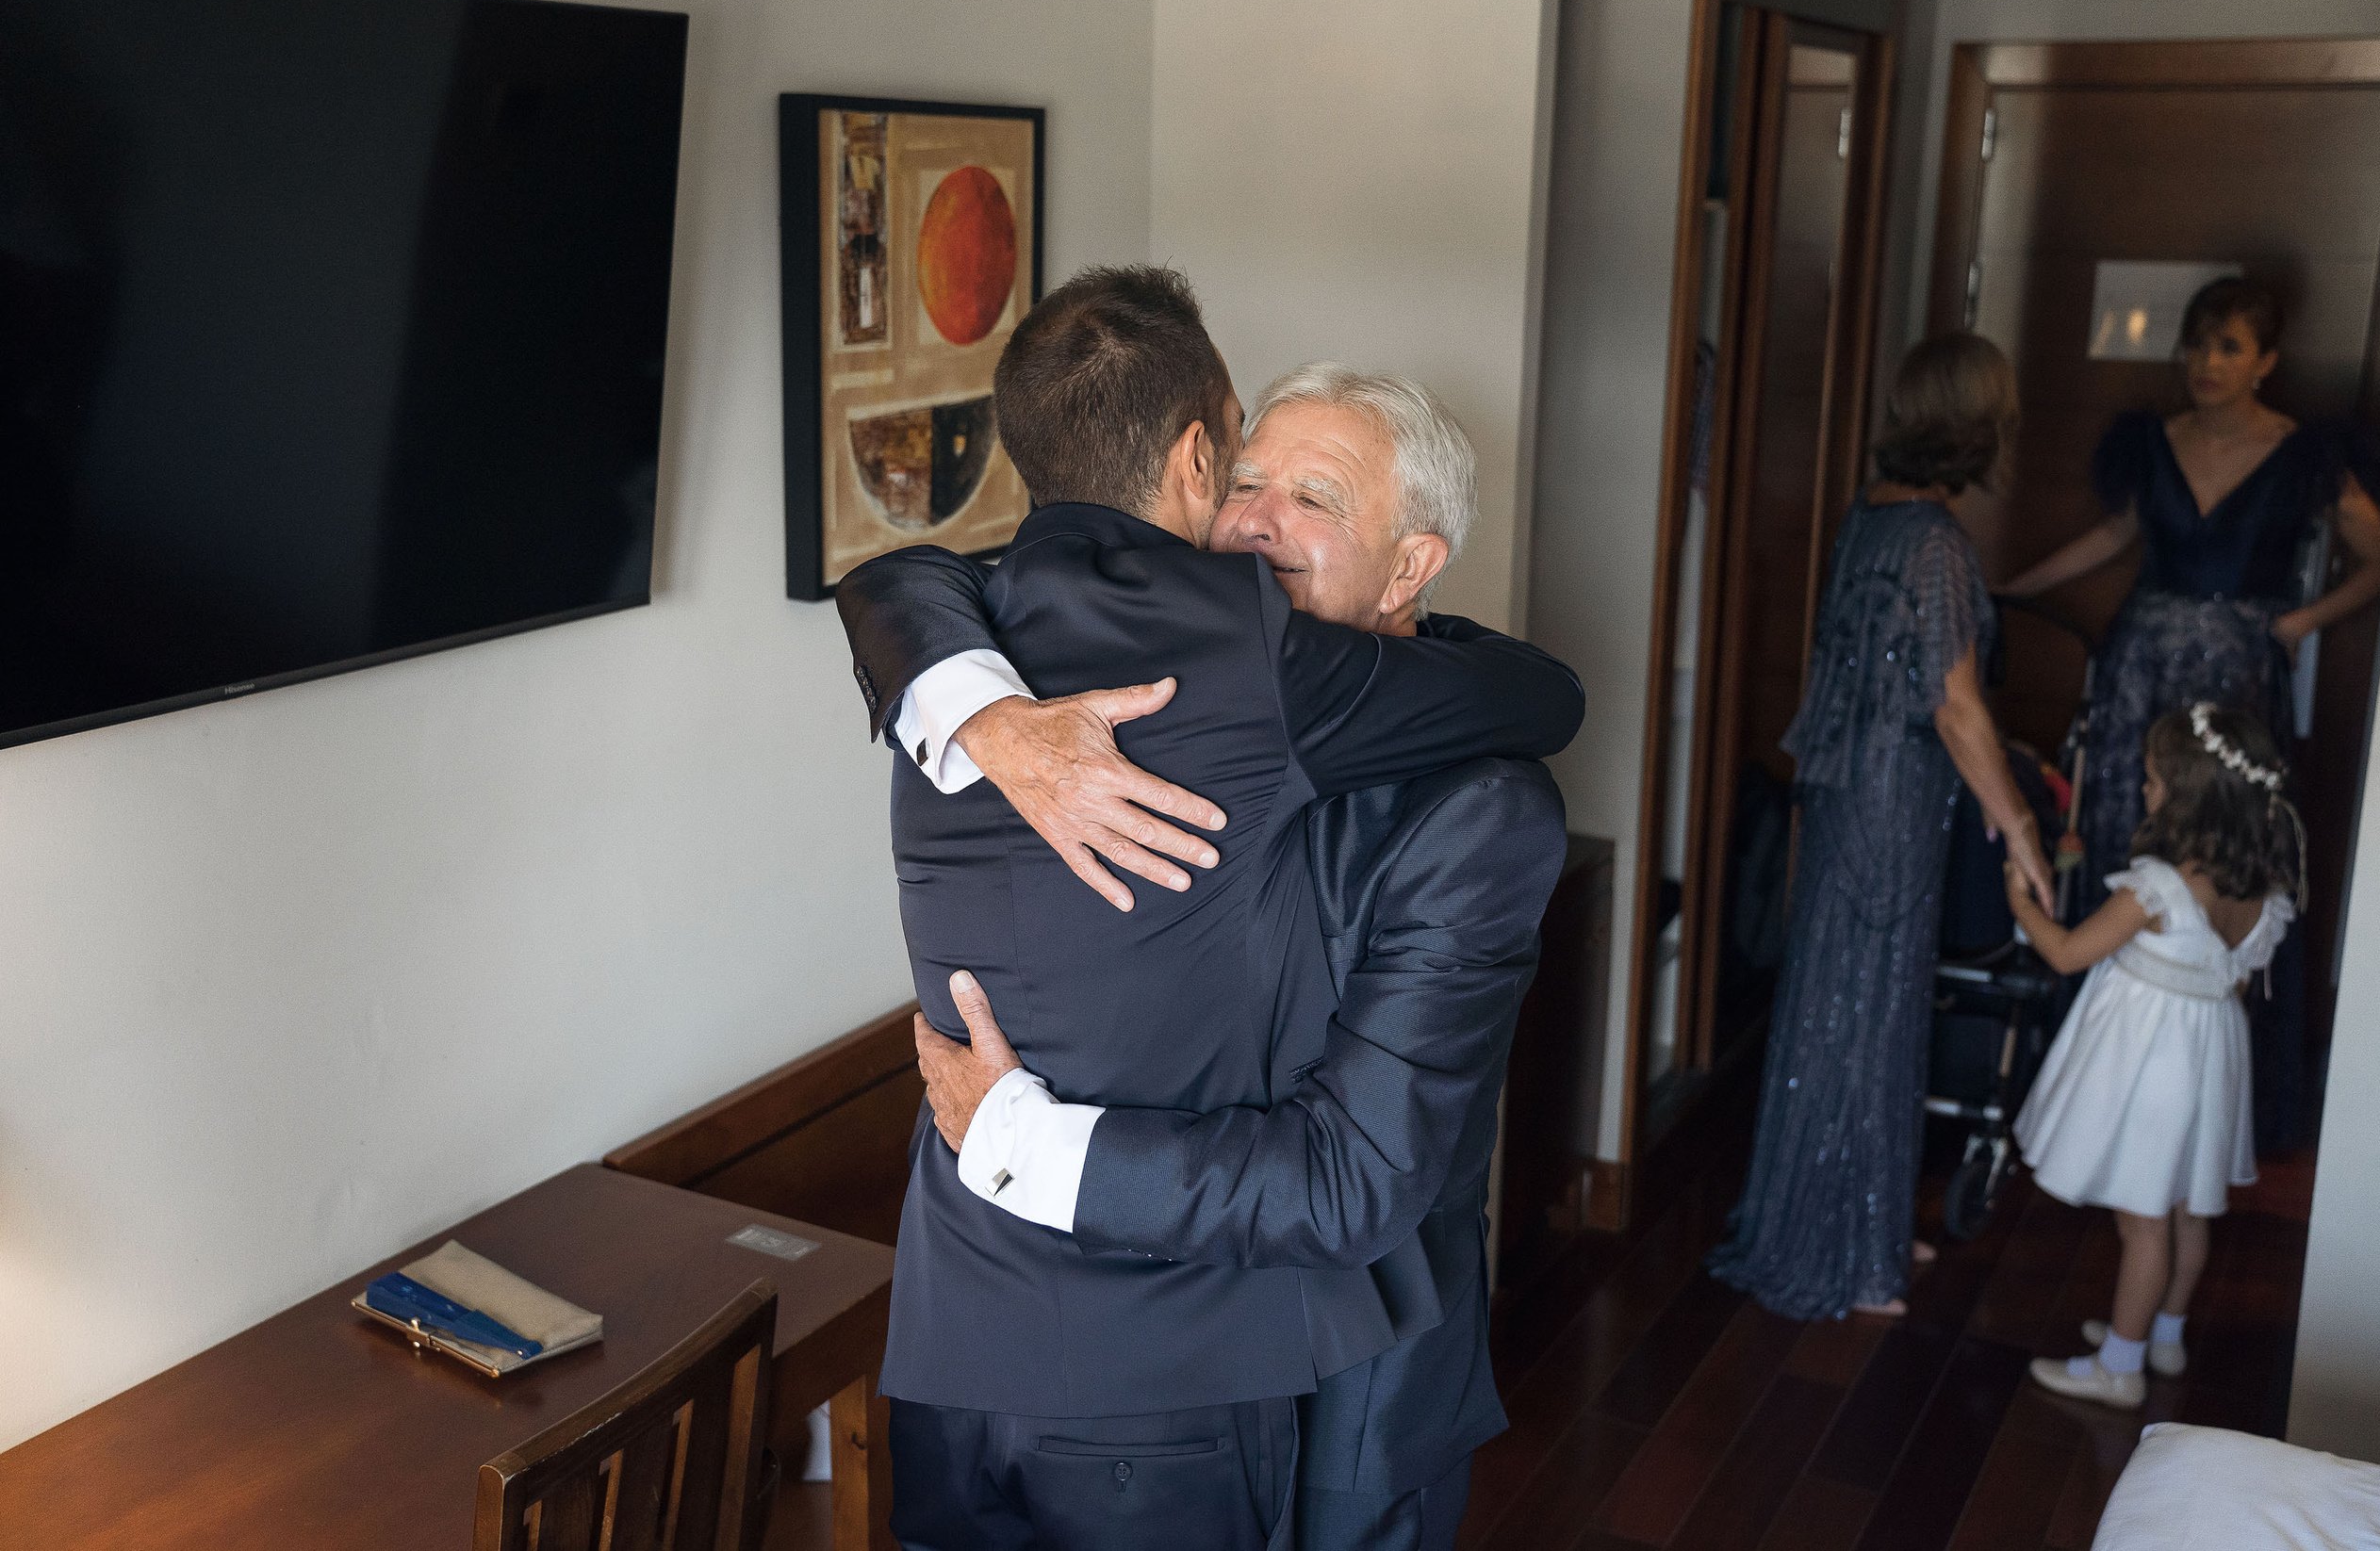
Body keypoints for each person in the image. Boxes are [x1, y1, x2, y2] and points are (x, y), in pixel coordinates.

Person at [839, 272, 1584, 1551]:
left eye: (1316, 499)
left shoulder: (1482, 809)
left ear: (1412, 565)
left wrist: (1020, 1139)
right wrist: (990, 717)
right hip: (1056, 1365)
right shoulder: (1058, 682)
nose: (1252, 521)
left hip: (1350, 1388)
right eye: (1246, 480)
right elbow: (906, 578)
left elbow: (1353, 1175)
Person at [1995, 275, 2380, 1149]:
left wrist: (2300, 622)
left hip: (2236, 678)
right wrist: (2012, 590)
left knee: (2221, 850)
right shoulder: (2153, 439)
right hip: (2138, 670)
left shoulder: (2305, 453)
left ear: (2267, 361)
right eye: (2198, 343)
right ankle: (2097, 1068)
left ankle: (2201, 1076)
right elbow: (2114, 537)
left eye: (2229, 346)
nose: (2207, 362)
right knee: (2125, 842)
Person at [1706, 334, 2054, 1321]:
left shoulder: (1872, 514)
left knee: (1842, 1006)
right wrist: (2021, 826)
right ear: (1978, 425)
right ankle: (1844, 1250)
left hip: (1842, 790)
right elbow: (1956, 706)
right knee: (1864, 1013)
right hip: (1891, 799)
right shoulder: (1936, 543)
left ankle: (1856, 1224)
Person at [2010, 703, 2302, 1410]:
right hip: (2212, 1058)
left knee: (2142, 1220)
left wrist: (2020, 901)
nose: (2145, 790)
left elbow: (2066, 952)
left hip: (2152, 1062)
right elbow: (2231, 981)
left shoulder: (2159, 888)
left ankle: (2120, 1364)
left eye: (2153, 781)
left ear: (2189, 799)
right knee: (2186, 1210)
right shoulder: (2263, 896)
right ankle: (2161, 1334)